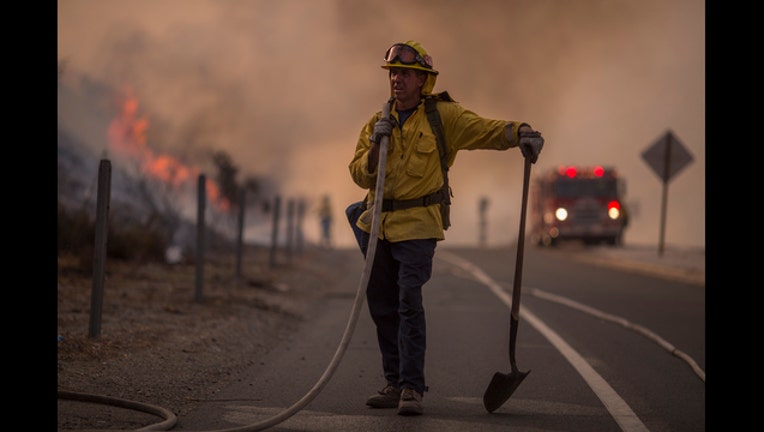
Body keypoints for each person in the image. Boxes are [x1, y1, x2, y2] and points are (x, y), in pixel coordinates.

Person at [347, 40, 544, 416]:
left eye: (405, 73)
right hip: (378, 227)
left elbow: (483, 129)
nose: (397, 80)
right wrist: (376, 144)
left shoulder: (443, 118)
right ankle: (393, 382)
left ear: (423, 80)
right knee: (383, 306)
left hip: (418, 225)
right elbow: (358, 174)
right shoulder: (377, 123)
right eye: (393, 73)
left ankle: (411, 388)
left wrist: (521, 132)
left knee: (408, 301)